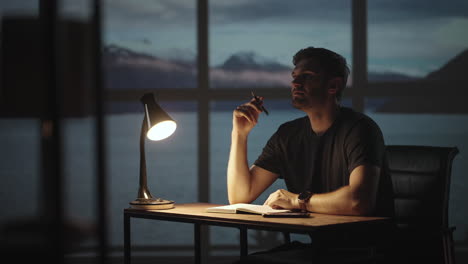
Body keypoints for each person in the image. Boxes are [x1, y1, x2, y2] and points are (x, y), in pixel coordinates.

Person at [227, 47, 394, 263]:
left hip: (367, 252)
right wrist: (239, 135)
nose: (296, 83)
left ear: (333, 86)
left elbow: (359, 201)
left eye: (307, 77)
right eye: (295, 77)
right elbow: (240, 196)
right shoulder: (287, 135)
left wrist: (298, 201)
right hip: (322, 249)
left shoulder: (360, 129)